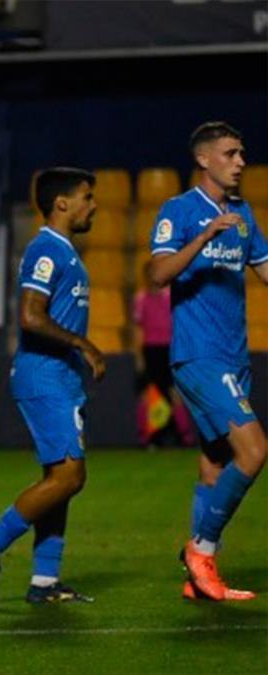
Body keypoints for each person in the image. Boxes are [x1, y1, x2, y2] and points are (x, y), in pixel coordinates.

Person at [0, 167, 104, 605]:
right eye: (86, 196)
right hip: (43, 376)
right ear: (62, 203)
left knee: (60, 480)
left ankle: (44, 582)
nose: (93, 204)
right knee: (69, 475)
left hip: (60, 377)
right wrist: (83, 343)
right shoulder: (47, 250)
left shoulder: (65, 251)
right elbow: (30, 316)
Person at [147, 121, 268, 601]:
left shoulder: (244, 214)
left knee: (215, 462)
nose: (240, 161)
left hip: (234, 356)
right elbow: (157, 273)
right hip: (198, 354)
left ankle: (199, 578)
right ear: (204, 159)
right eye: (231, 153)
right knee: (255, 450)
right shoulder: (178, 211)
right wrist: (202, 237)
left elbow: (264, 270)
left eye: (242, 153)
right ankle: (200, 549)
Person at [132, 262, 194, 447]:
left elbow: (179, 326)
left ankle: (185, 436)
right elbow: (138, 329)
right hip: (150, 351)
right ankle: (146, 437)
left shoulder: (170, 297)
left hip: (169, 349)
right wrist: (139, 357)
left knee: (175, 394)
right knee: (148, 396)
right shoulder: (141, 299)